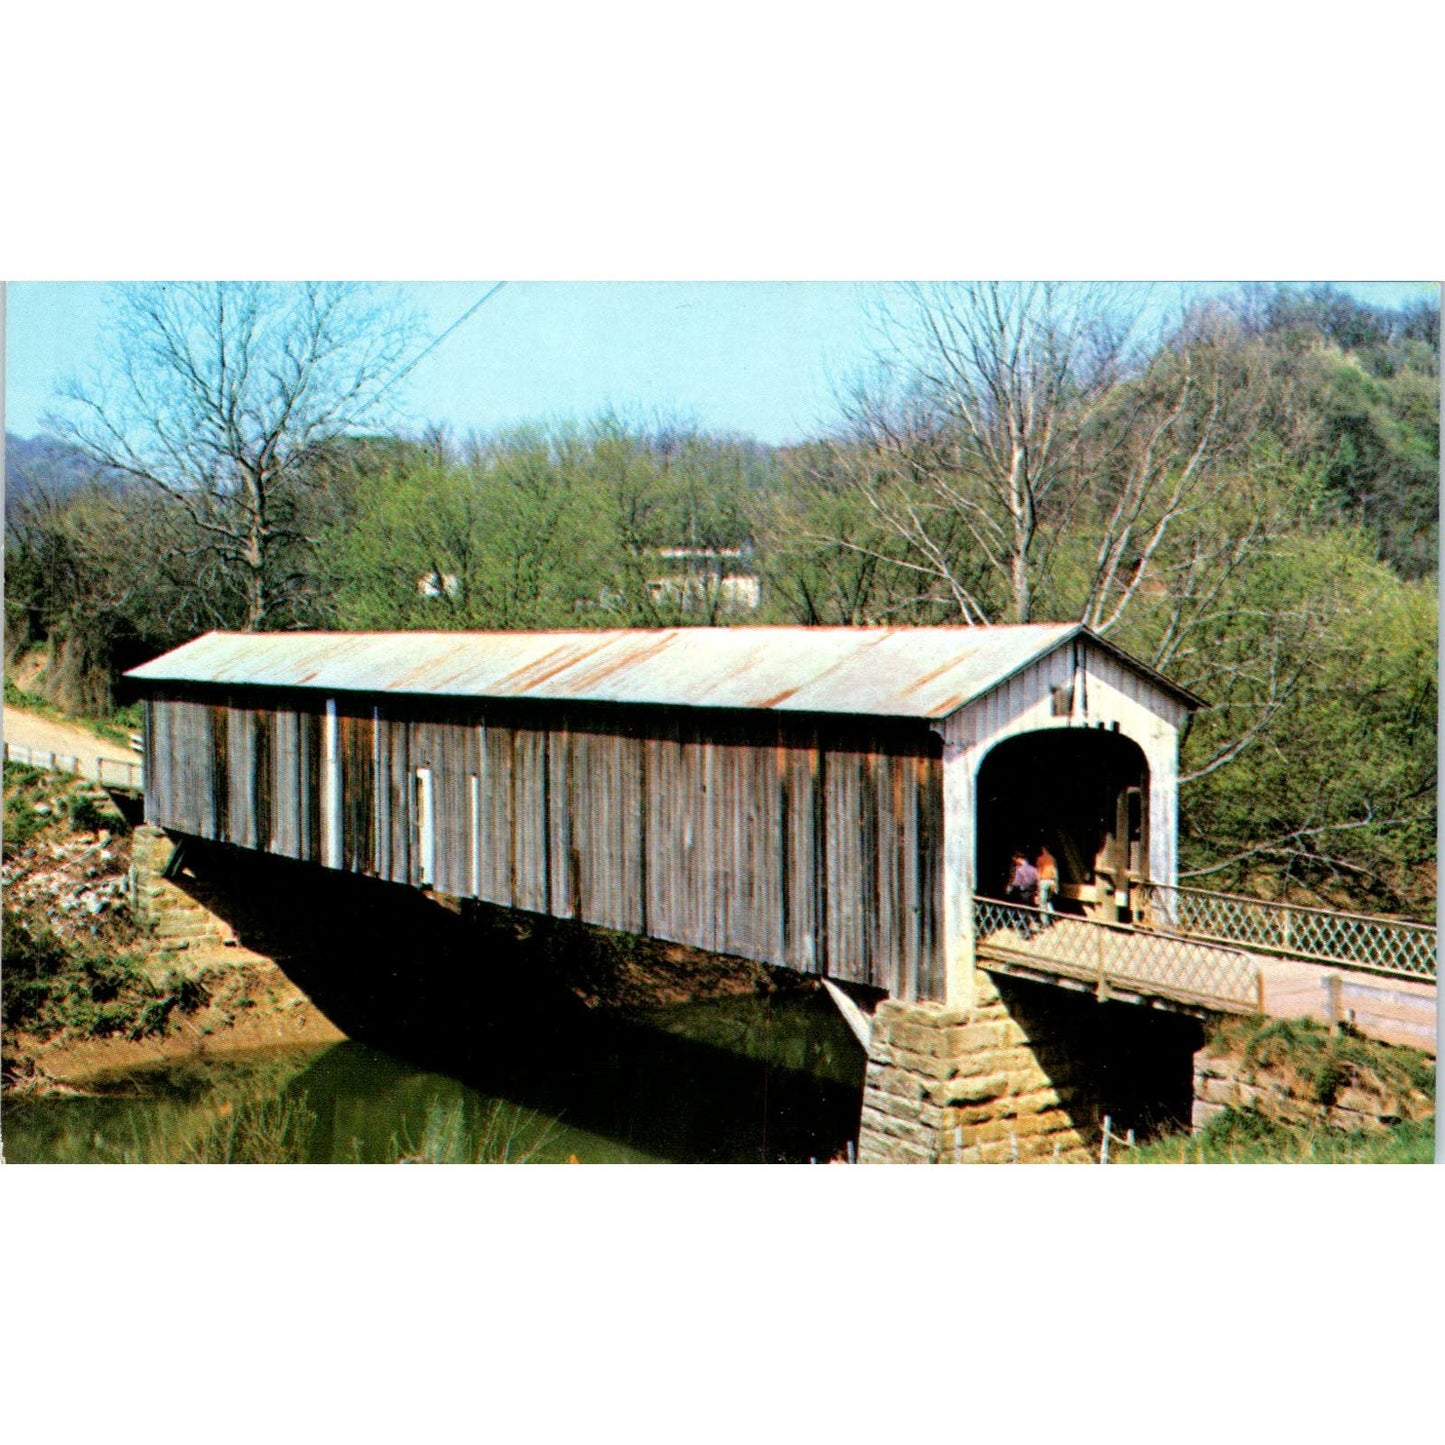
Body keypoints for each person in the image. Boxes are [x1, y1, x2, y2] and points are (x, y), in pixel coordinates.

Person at [1005, 851, 1039, 937]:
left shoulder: (1019, 870)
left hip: (1022, 894)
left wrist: (1009, 890)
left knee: (1022, 912)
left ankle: (1025, 932)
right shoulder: (1033, 869)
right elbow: (1037, 881)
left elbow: (1016, 883)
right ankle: (1035, 926)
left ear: (1020, 859)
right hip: (1031, 892)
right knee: (1030, 910)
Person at [1035, 845, 1058, 927]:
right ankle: (1053, 916)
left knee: (1042, 903)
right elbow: (1055, 872)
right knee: (1048, 900)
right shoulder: (1053, 859)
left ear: (1043, 849)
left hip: (1043, 881)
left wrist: (1037, 885)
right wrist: (1056, 884)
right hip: (1051, 881)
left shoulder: (1040, 859)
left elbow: (1038, 872)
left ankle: (1045, 923)